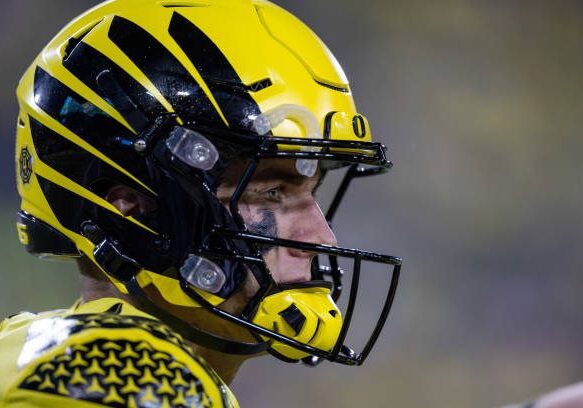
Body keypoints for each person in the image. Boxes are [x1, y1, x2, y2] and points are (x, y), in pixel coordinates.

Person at [1, 0, 401, 406]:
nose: (321, 238)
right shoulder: (122, 377)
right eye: (271, 193)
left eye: (309, 193)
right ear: (130, 212)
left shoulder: (37, 353)